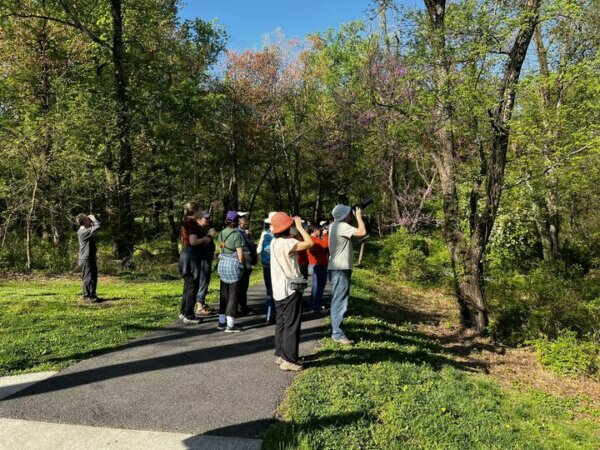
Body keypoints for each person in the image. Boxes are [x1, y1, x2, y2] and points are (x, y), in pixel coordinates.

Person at [270, 212, 313, 372]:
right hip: (290, 290)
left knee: (281, 322)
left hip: (278, 290)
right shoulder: (288, 243)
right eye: (292, 225)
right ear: (288, 227)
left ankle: (280, 354)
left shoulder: (274, 242)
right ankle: (288, 359)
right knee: (292, 324)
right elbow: (309, 243)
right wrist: (301, 228)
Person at [327, 205, 366, 345]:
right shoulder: (342, 226)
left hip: (337, 268)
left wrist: (354, 217)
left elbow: (355, 234)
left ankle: (337, 330)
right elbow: (362, 231)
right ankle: (337, 333)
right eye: (350, 213)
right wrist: (359, 216)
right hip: (340, 269)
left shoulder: (334, 225)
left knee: (338, 300)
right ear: (345, 215)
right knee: (340, 301)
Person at [178, 203, 211, 325]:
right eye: (200, 209)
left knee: (187, 285)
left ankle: (183, 312)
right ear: (196, 210)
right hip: (191, 256)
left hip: (185, 255)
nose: (201, 211)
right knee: (192, 285)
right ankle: (189, 315)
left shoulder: (185, 221)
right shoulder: (192, 223)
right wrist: (206, 238)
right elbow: (193, 241)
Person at [216, 211, 245, 332]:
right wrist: (242, 265)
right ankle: (231, 324)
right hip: (233, 267)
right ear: (236, 221)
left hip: (222, 265)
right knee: (233, 295)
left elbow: (220, 249)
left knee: (224, 294)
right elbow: (240, 255)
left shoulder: (222, 233)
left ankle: (221, 322)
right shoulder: (236, 235)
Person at [195, 211, 217, 315]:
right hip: (202, 260)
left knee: (205, 281)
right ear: (199, 219)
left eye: (208, 218)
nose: (208, 220)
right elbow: (201, 245)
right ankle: (199, 306)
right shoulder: (198, 230)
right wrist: (210, 236)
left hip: (206, 258)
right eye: (206, 218)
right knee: (203, 281)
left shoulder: (202, 229)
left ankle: (202, 303)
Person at [76, 213, 101, 303]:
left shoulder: (86, 230)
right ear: (83, 222)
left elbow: (94, 227)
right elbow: (97, 227)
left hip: (89, 257)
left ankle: (92, 295)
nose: (90, 221)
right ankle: (87, 296)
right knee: (88, 277)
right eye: (88, 219)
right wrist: (94, 219)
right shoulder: (83, 232)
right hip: (86, 259)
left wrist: (91, 221)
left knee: (93, 276)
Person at [257, 212, 276, 324]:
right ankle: (278, 314)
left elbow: (259, 250)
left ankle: (269, 315)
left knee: (270, 291)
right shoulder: (280, 234)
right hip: (277, 267)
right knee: (279, 291)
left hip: (266, 265)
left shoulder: (265, 234)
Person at [237, 214, 257, 316]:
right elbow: (246, 248)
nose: (246, 223)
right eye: (245, 221)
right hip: (244, 262)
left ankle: (242, 306)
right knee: (242, 286)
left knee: (243, 286)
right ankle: (242, 308)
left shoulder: (243, 232)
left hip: (246, 262)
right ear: (239, 221)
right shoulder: (239, 233)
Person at [307, 225, 329, 314]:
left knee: (316, 286)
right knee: (319, 286)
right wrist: (326, 234)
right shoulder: (314, 239)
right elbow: (325, 244)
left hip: (316, 264)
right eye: (319, 230)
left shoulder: (310, 239)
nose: (320, 232)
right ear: (315, 230)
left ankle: (314, 303)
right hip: (319, 264)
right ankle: (317, 306)